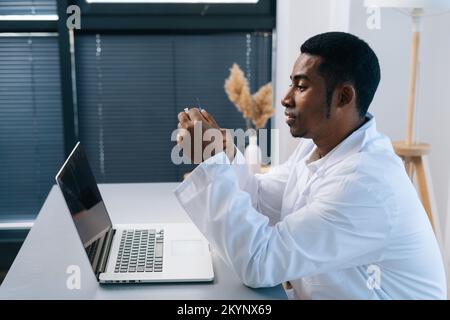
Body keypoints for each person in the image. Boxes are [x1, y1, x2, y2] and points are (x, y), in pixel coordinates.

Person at [174, 32, 447, 299]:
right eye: (292, 83)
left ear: (343, 97)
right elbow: (261, 202)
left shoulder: (363, 182)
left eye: (301, 87)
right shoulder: (320, 144)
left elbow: (259, 263)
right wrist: (226, 153)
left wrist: (211, 162)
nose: (286, 98)